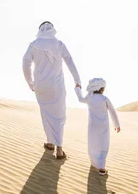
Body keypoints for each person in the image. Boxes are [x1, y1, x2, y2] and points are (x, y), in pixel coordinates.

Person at [22, 21, 81, 159]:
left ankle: (50, 143)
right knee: (59, 115)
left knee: (46, 114)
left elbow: (25, 64)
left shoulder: (33, 45)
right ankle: (59, 148)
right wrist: (77, 81)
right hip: (57, 86)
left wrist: (30, 82)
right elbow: (70, 62)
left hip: (41, 86)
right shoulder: (59, 45)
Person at [74, 78, 121, 175]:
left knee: (93, 144)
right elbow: (112, 111)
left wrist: (77, 89)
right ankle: (102, 167)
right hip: (103, 126)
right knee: (103, 145)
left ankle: (94, 163)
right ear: (101, 88)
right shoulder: (104, 99)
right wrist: (117, 125)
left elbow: (80, 99)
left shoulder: (89, 97)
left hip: (92, 126)